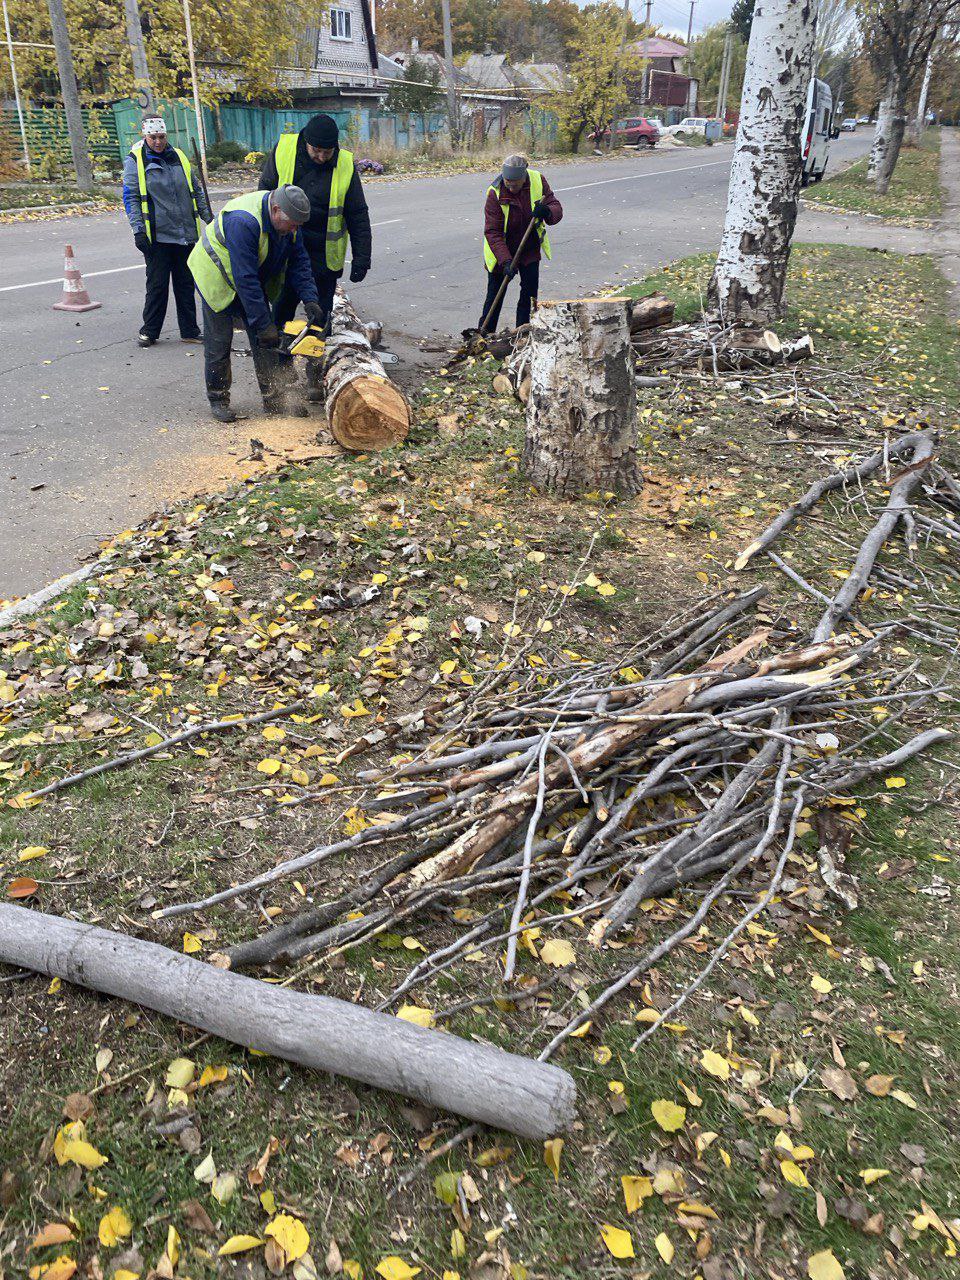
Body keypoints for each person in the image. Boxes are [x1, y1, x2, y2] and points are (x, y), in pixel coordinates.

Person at [187, 185, 324, 423]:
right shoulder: (243, 222)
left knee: (266, 342)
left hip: (246, 275)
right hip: (216, 276)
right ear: (276, 210)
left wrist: (310, 298)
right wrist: (263, 324)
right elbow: (246, 279)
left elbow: (300, 262)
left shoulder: (290, 223)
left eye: (297, 226)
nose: (294, 230)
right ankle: (218, 399)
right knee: (220, 341)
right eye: (292, 224)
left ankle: (274, 399)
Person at [259, 113, 372, 400]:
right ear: (305, 143)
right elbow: (263, 199)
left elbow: (357, 213)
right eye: (316, 151)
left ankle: (315, 374)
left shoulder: (344, 164)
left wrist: (362, 257)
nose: (321, 157)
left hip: (323, 255)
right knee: (282, 314)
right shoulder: (284, 151)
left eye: (327, 152)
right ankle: (281, 372)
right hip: (285, 249)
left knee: (319, 317)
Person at [122, 115, 212, 348]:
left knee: (185, 284)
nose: (158, 142)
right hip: (157, 236)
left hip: (185, 234)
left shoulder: (179, 156)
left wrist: (209, 219)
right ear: (145, 136)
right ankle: (149, 331)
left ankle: (189, 331)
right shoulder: (136, 160)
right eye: (153, 137)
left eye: (161, 136)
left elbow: (196, 190)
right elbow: (131, 197)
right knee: (157, 286)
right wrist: (138, 230)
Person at [480, 153, 562, 332]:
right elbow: (493, 232)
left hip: (529, 247)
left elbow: (555, 206)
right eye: (508, 183)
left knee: (529, 295)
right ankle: (484, 336)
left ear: (524, 177)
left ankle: (523, 333)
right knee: (495, 296)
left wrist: (547, 211)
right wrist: (506, 261)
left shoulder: (537, 180)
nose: (511, 188)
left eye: (515, 184)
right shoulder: (495, 193)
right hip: (502, 251)